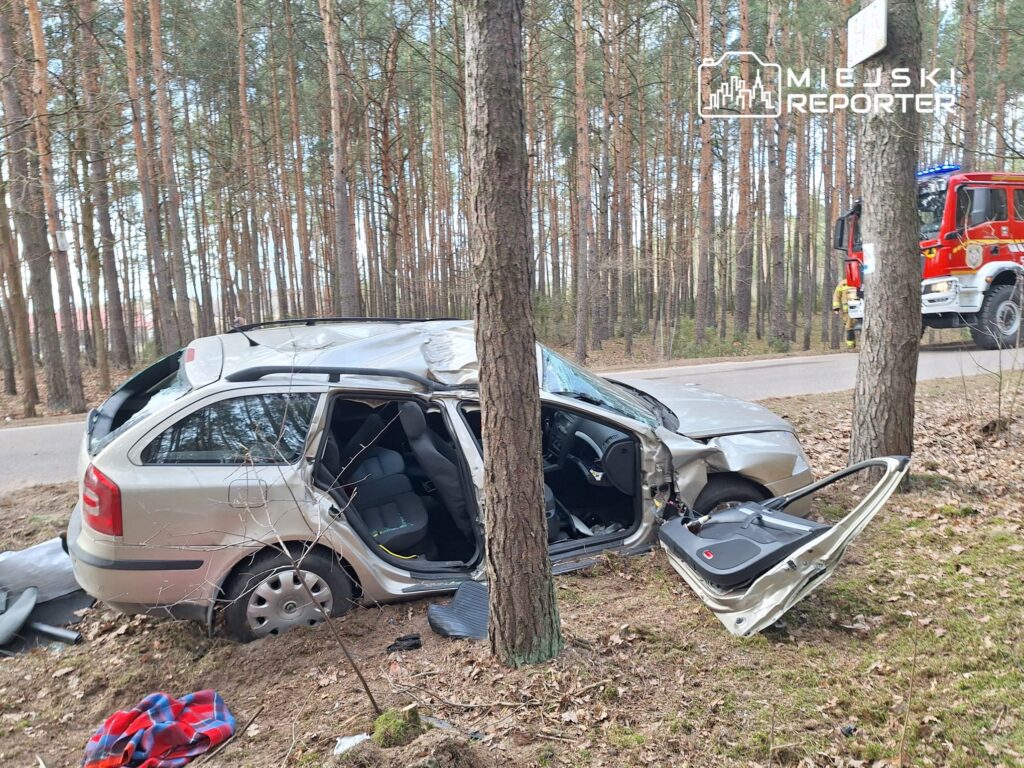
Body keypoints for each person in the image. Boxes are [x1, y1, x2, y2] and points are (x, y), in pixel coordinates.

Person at [832, 279, 857, 350]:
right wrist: (836, 307)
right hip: (848, 311)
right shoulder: (843, 283)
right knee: (849, 327)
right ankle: (851, 346)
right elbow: (836, 295)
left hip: (862, 309)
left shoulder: (864, 281)